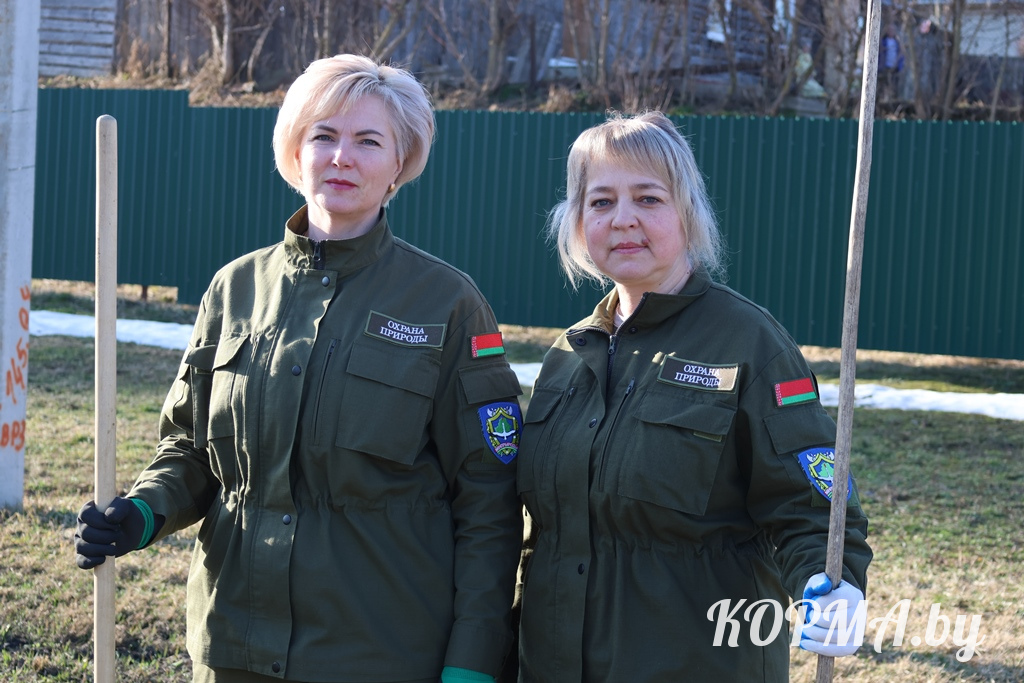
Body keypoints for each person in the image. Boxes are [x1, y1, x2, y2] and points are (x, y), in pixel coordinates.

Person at [74, 53, 524, 683]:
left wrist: (472, 663)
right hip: (233, 645)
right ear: (295, 150)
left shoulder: (449, 305)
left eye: (369, 141)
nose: (342, 157)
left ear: (400, 164)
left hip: (379, 656)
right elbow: (190, 451)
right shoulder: (234, 289)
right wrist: (141, 512)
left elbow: (488, 503)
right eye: (324, 135)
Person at [515, 111, 872, 682]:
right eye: (601, 201)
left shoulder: (750, 344)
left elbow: (811, 508)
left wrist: (835, 584)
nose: (623, 219)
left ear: (687, 211)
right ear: (578, 222)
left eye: (648, 198)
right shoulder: (568, 355)